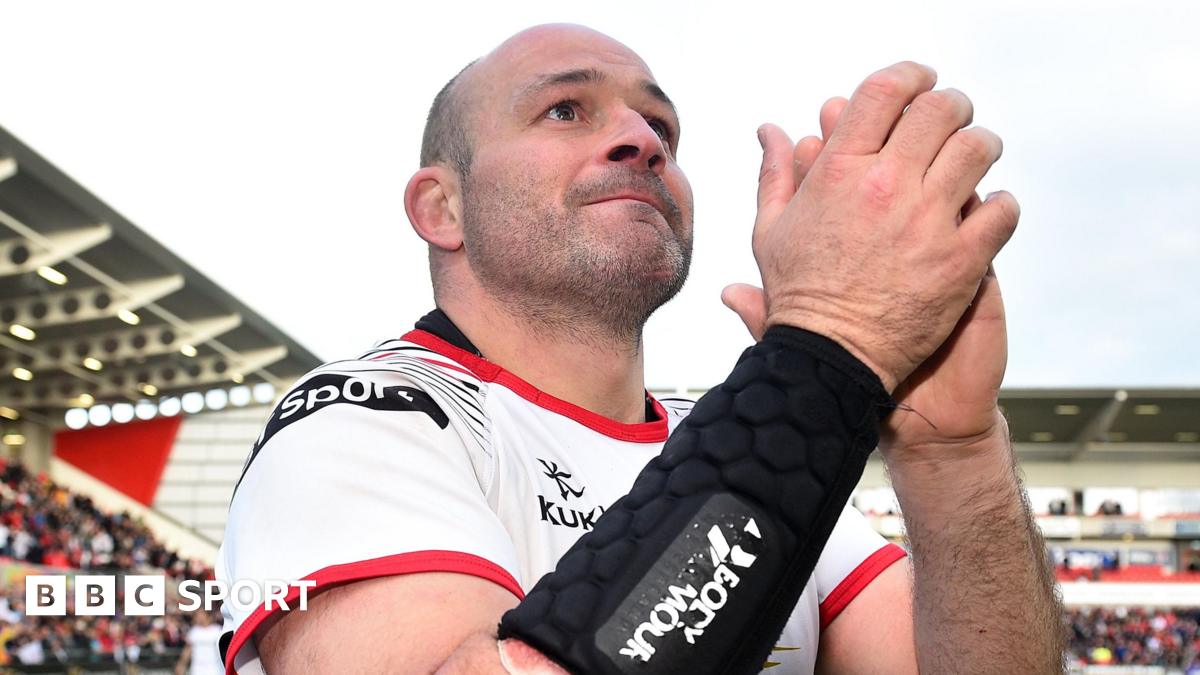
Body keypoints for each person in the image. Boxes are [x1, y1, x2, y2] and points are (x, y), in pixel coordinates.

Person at [217, 24, 1064, 674]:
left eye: (660, 125)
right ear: (444, 208)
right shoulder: (363, 420)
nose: (643, 140)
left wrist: (956, 452)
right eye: (565, 110)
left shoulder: (725, 435)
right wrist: (829, 346)